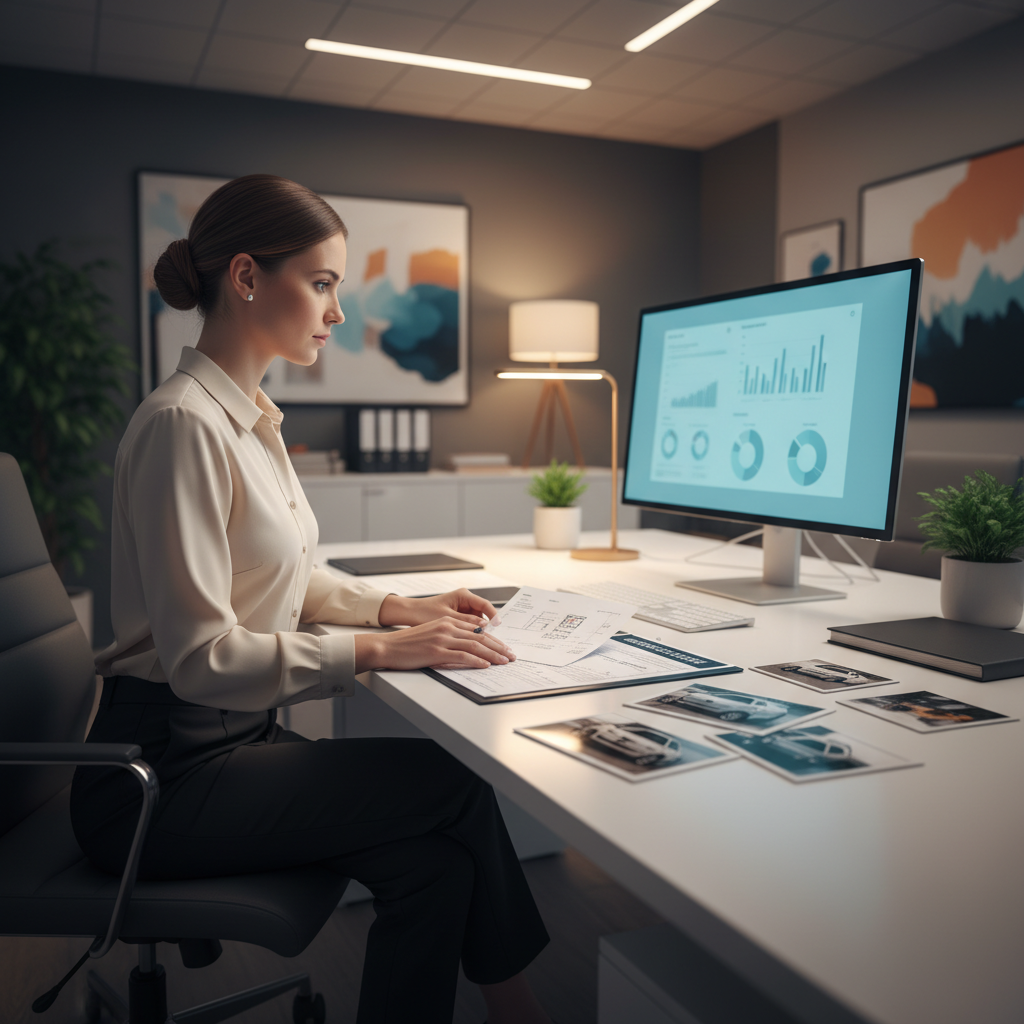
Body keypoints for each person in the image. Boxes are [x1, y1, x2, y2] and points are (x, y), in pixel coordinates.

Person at [71, 174, 551, 1024]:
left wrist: (392, 608)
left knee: (434, 867)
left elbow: (283, 576)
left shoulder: (252, 418)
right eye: (323, 283)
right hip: (157, 780)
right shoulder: (182, 424)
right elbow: (202, 658)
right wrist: (377, 651)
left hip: (231, 748)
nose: (336, 312)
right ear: (249, 278)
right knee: (457, 782)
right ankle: (524, 1013)